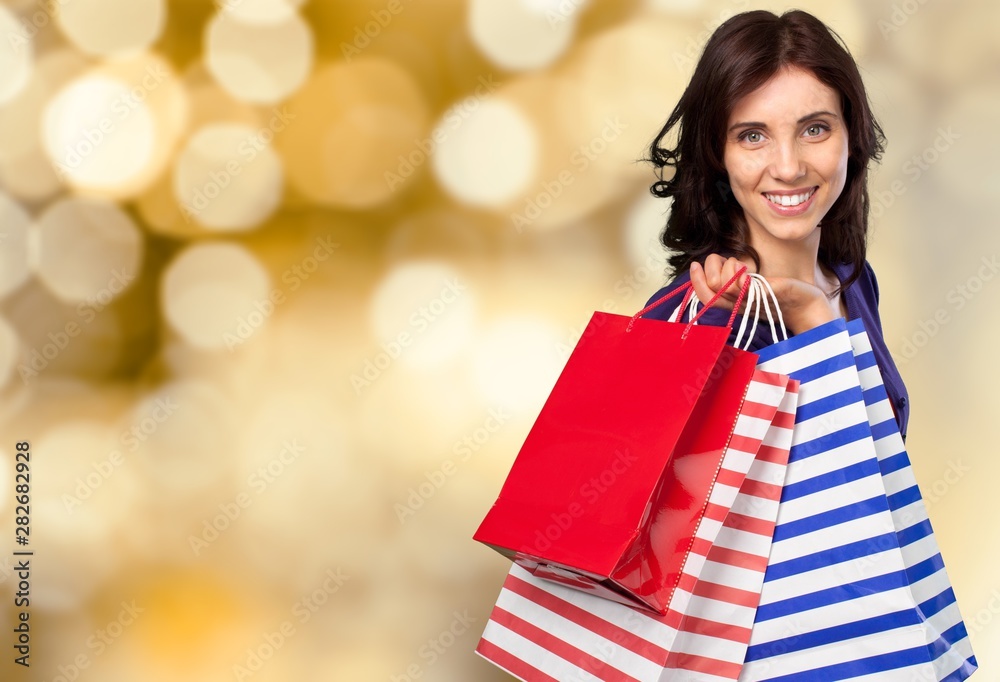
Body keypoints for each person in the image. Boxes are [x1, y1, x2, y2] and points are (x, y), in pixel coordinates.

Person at [641, 9, 910, 440]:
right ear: (717, 156)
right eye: (752, 136)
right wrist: (813, 320)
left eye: (815, 129)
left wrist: (812, 310)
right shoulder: (700, 326)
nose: (788, 168)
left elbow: (881, 480)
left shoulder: (850, 277)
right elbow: (842, 477)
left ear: (852, 138)